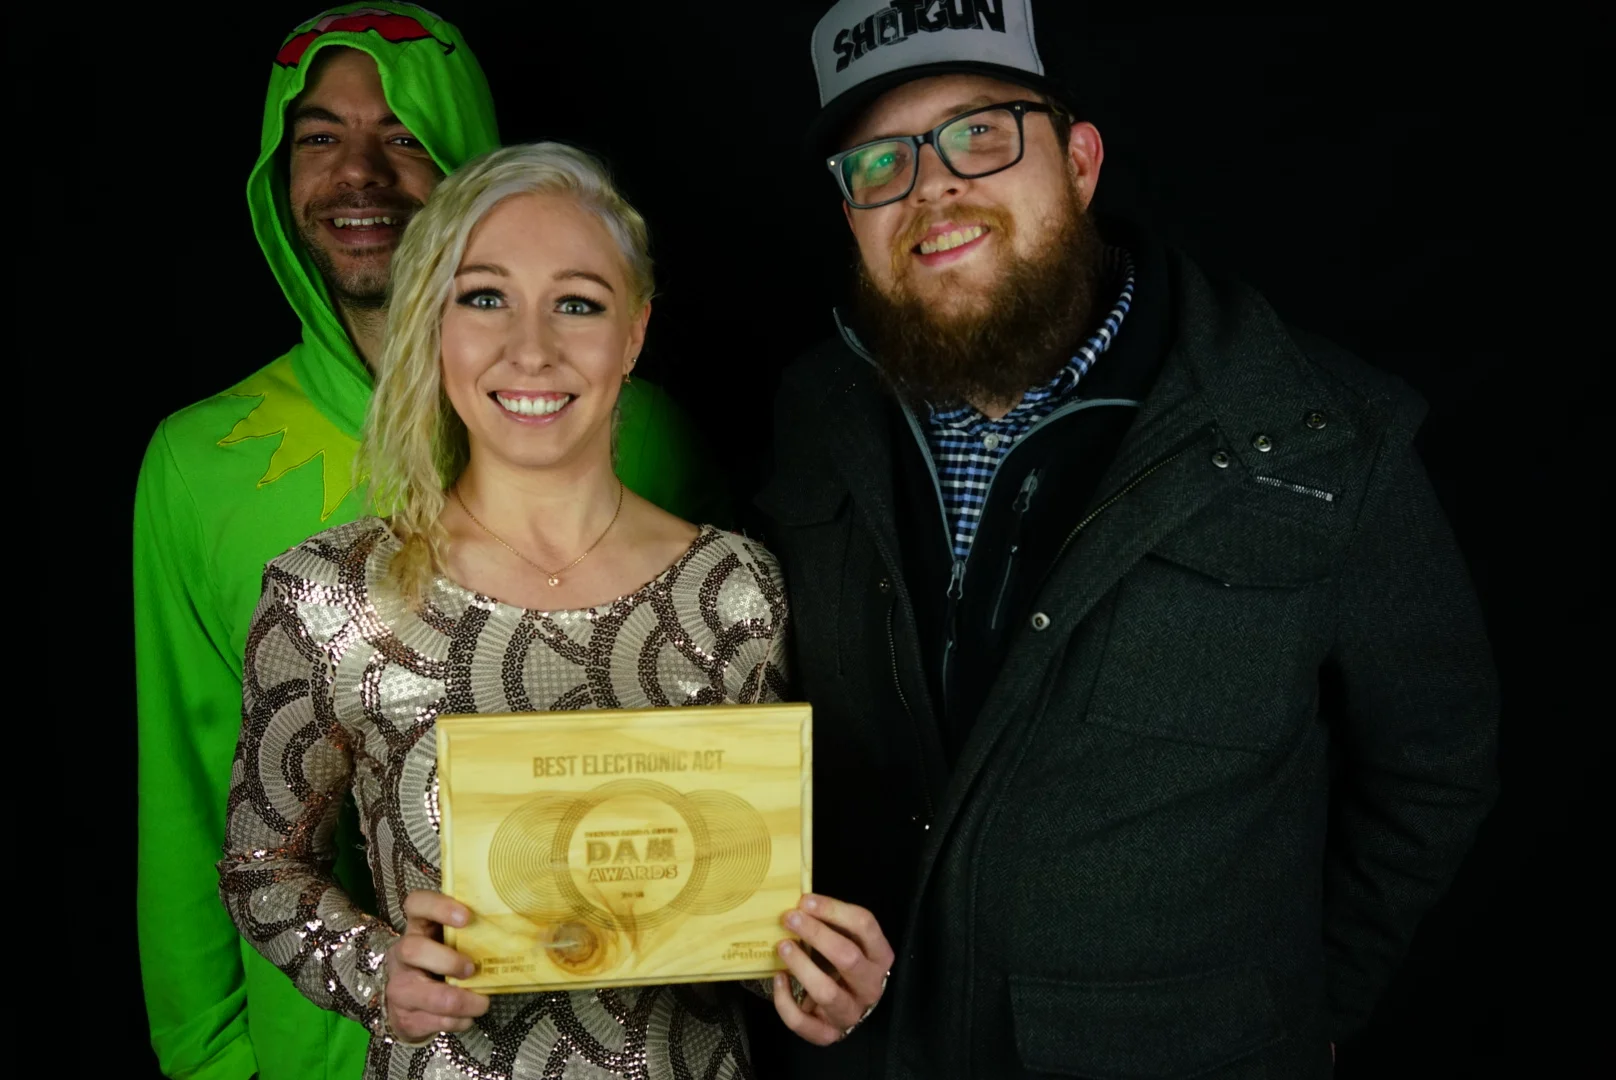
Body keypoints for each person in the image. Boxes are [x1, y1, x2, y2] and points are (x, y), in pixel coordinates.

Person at [753, 1, 1499, 1077]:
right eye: (881, 163)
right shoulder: (811, 417)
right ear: (851, 213)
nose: (932, 188)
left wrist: (1304, 1010)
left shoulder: (1315, 432)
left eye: (979, 133)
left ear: (1080, 162)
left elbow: (1435, 762)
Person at [217, 142, 895, 1079]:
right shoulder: (331, 594)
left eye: (577, 303)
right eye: (484, 297)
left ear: (635, 333)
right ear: (432, 326)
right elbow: (260, 868)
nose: (530, 348)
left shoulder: (736, 588)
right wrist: (377, 971)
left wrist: (819, 977)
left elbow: (742, 905)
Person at [134, 7, 723, 1079]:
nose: (359, 173)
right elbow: (188, 782)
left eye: (403, 136)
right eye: (319, 137)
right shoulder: (200, 463)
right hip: (313, 1052)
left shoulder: (646, 438)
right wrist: (208, 1057)